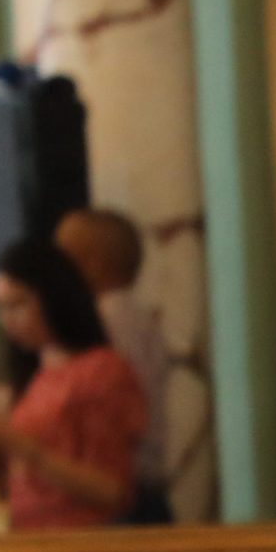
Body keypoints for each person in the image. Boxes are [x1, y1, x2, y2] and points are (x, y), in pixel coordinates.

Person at [0, 235, 148, 532]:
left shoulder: (102, 370)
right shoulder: (39, 376)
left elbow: (112, 489)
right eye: (0, 308)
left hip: (82, 534)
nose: (7, 321)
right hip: (29, 532)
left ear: (53, 297)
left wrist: (18, 445)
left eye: (17, 304)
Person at [53, 207, 173, 523]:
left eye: (62, 259)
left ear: (93, 264)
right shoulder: (133, 316)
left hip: (122, 494)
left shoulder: (109, 322)